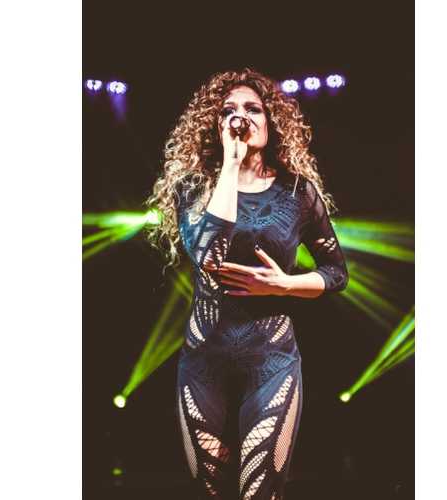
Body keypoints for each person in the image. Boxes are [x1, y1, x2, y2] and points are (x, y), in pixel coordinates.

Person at [147, 68, 348, 500]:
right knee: (210, 490)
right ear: (215, 125)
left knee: (261, 490)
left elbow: (336, 273)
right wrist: (231, 165)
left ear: (271, 121)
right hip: (205, 360)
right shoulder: (193, 188)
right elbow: (209, 256)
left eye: (253, 109)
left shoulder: (298, 192)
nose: (241, 118)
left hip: (271, 360)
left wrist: (284, 285)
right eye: (229, 111)